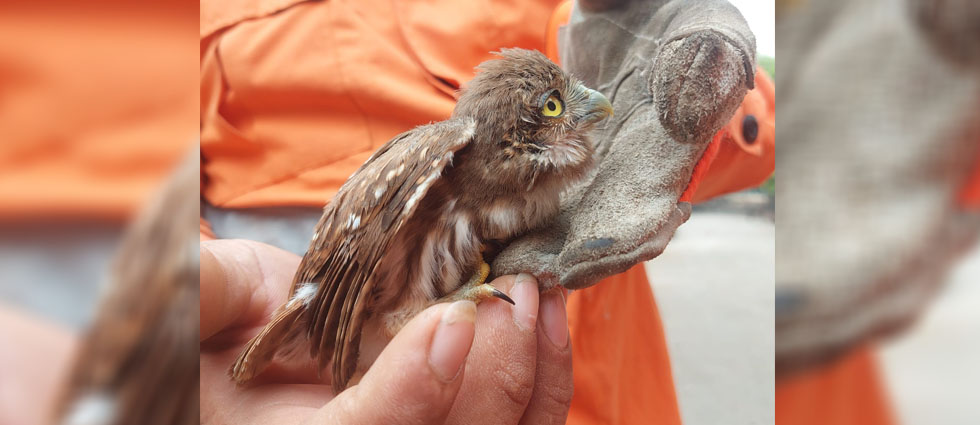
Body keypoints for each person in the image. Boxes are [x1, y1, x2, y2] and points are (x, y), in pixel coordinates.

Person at [199, 0, 774, 423]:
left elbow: (753, 133)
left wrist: (699, 82)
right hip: (306, 364)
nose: (578, 106)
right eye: (552, 105)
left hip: (581, 361)